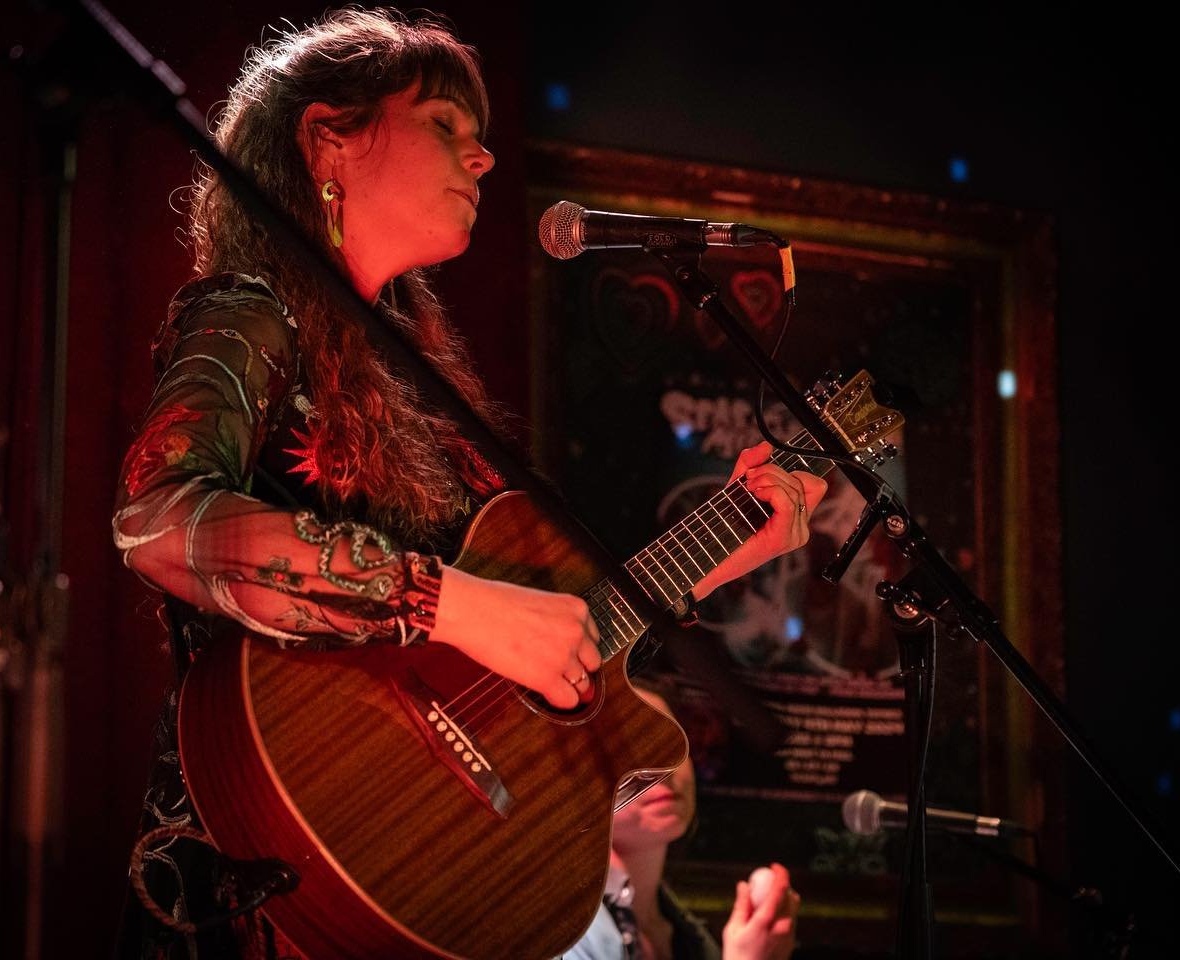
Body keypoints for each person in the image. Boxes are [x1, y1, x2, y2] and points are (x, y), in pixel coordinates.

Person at [111, 9, 827, 958]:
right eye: (444, 124)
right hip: (253, 885)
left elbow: (537, 640)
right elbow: (159, 521)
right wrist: (447, 602)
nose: (483, 157)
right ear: (331, 138)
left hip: (403, 863)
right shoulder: (252, 313)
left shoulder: (420, 392)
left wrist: (727, 549)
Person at [563, 684, 801, 960]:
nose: (663, 766)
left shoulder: (680, 931)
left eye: (673, 742)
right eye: (624, 747)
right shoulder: (555, 935)